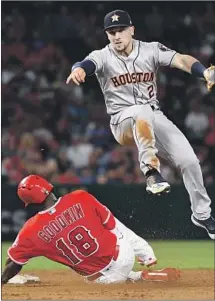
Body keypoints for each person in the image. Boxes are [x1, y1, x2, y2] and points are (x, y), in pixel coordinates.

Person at [66, 9, 215, 240]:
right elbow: (85, 63)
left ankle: (202, 214)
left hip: (152, 117)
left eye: (121, 30)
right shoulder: (103, 55)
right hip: (122, 121)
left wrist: (203, 71)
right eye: (111, 32)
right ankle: (151, 172)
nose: (116, 36)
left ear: (131, 30)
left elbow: (181, 60)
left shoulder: (150, 49)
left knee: (189, 161)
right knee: (141, 110)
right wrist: (78, 69)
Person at [1, 175, 180, 285]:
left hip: (102, 280)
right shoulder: (80, 196)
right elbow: (116, 227)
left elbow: (13, 263)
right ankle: (148, 273)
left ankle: (131, 276)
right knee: (113, 234)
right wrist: (144, 251)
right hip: (124, 253)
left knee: (103, 282)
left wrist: (2, 281)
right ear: (48, 186)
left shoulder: (30, 230)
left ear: (28, 202)